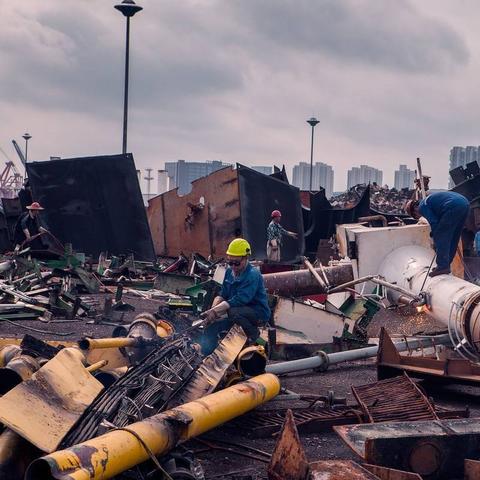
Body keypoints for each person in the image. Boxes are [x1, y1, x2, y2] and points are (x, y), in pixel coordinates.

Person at [201, 238, 270, 345]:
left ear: (246, 258)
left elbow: (240, 300)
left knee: (233, 313)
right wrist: (212, 311)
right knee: (218, 319)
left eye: (236, 263)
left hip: (257, 312)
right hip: (238, 309)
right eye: (230, 262)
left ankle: (253, 334)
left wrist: (216, 311)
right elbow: (222, 295)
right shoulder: (229, 272)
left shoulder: (252, 275)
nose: (233, 266)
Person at [405, 191, 469, 277]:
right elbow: (440, 222)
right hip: (465, 203)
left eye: (417, 216)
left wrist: (436, 239)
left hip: (453, 206)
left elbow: (434, 223)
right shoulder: (430, 202)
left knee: (441, 236)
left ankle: (442, 266)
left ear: (415, 210)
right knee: (454, 237)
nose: (420, 216)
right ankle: (446, 264)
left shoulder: (422, 206)